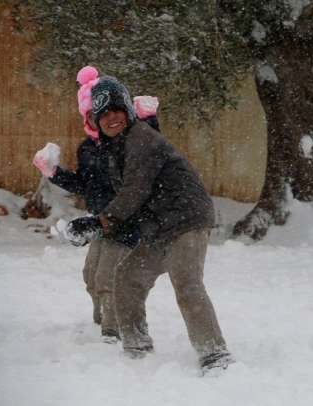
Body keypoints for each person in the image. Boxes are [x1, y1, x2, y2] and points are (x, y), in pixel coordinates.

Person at [65, 75, 232, 371]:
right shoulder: (114, 151)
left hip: (187, 219)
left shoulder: (141, 138)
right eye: (103, 114)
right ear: (96, 121)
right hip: (159, 227)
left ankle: (215, 355)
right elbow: (131, 202)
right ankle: (137, 349)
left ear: (128, 111)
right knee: (127, 278)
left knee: (186, 282)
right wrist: (102, 224)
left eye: (116, 109)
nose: (111, 118)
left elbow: (135, 191)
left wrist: (98, 222)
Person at [33, 66, 160, 341]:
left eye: (102, 112)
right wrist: (53, 172)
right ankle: (101, 316)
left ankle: (112, 332)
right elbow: (84, 183)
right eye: (91, 114)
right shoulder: (87, 149)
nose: (99, 119)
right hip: (100, 220)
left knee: (109, 277)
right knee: (91, 275)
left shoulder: (125, 139)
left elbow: (150, 152)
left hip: (128, 220)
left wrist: (149, 119)